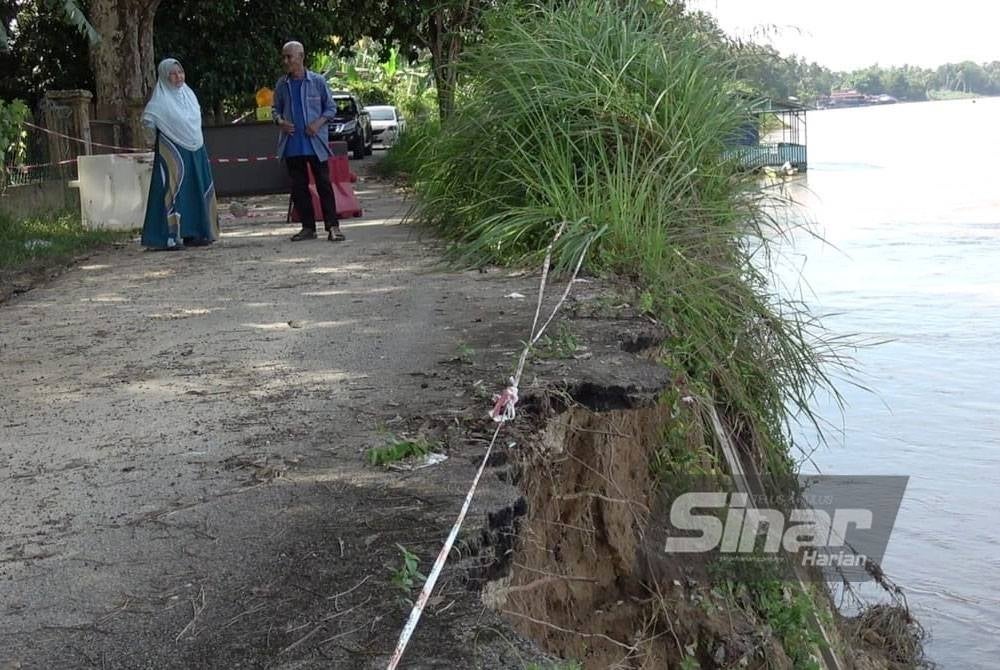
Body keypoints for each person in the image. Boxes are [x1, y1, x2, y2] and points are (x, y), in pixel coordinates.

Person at [140, 58, 219, 250]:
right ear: (165, 77)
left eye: (180, 72)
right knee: (172, 190)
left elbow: (193, 120)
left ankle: (196, 232)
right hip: (172, 151)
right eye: (173, 74)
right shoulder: (159, 101)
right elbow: (148, 121)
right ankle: (166, 237)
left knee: (195, 187)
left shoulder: (189, 95)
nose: (178, 77)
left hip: (195, 148)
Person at [272, 41, 345, 242]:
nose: (286, 61)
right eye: (284, 57)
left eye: (290, 57)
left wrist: (317, 123)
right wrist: (281, 122)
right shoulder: (282, 84)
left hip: (315, 143)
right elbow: (274, 110)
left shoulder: (317, 81)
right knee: (299, 188)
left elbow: (330, 108)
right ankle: (307, 227)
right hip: (292, 144)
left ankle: (333, 226)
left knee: (324, 185)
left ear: (301, 57)